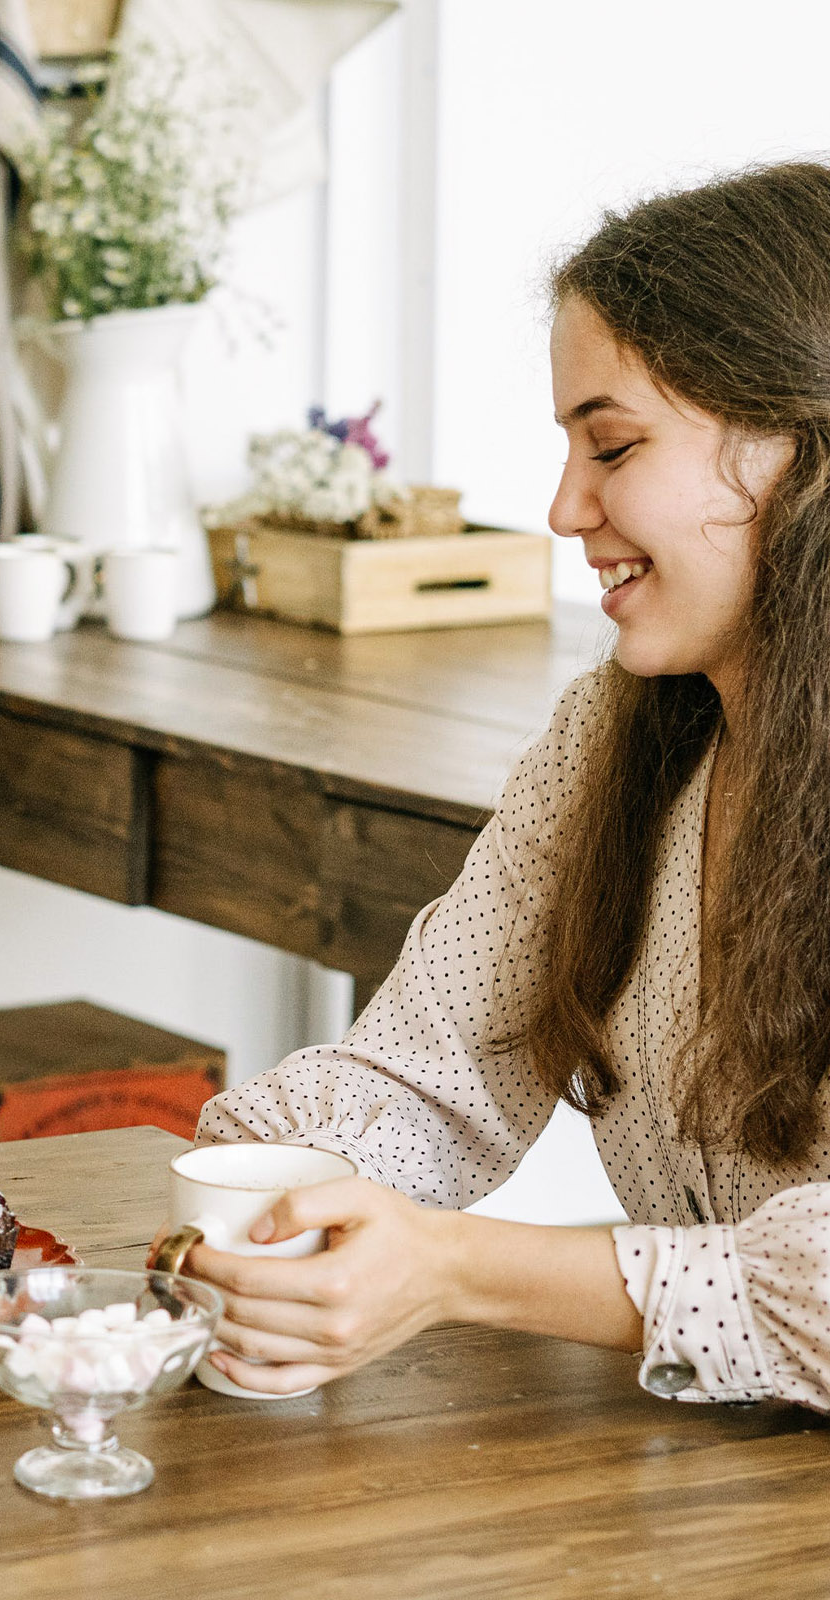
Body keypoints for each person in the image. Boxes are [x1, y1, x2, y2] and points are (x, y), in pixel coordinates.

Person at [178, 161, 830, 1413]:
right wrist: (262, 1192)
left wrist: (454, 1268)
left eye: (614, 445)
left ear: (796, 448)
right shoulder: (615, 738)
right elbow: (431, 1069)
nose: (563, 507)